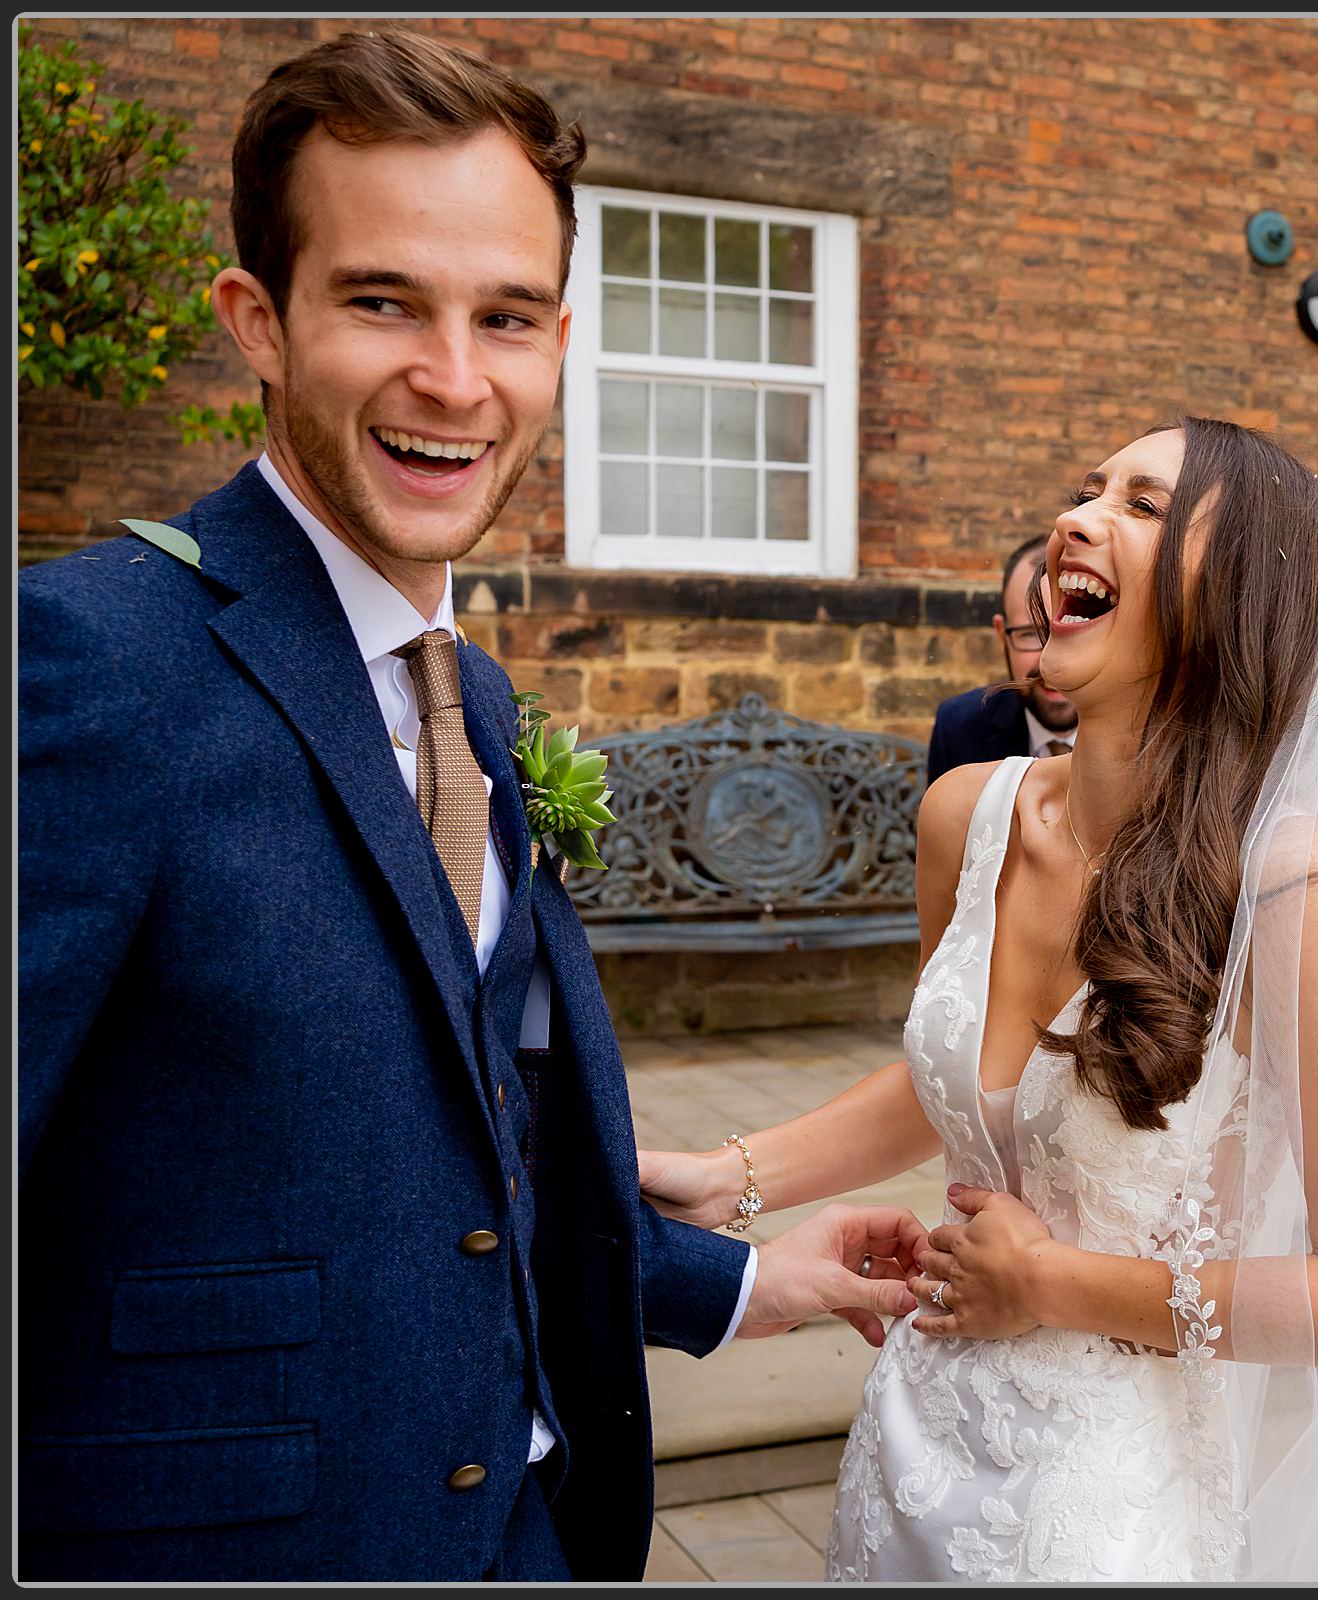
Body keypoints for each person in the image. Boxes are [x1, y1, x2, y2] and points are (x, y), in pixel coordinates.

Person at [17, 30, 922, 1582]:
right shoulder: (93, 660)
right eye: (382, 301)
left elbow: (464, 1149)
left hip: (526, 1528)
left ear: (560, 343)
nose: (453, 377)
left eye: (505, 317)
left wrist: (747, 1283)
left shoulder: (477, 699)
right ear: (261, 320)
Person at [638, 417, 1318, 1580]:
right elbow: (969, 1083)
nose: (1079, 517)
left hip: (1109, 1503)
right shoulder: (968, 815)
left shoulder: (1297, 886)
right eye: (1087, 489)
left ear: (1236, 598)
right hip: (913, 1444)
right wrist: (734, 1172)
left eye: (1143, 506)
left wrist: (1049, 1284)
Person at [924, 533, 1079, 782]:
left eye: (1068, 631)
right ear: (1001, 634)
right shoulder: (959, 729)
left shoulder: (1145, 734)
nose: (1049, 662)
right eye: (1030, 634)